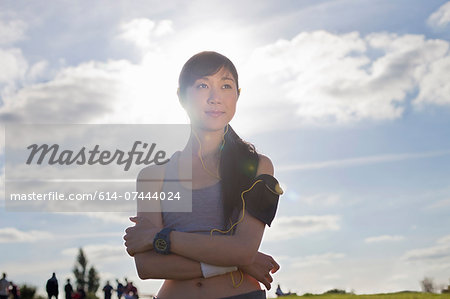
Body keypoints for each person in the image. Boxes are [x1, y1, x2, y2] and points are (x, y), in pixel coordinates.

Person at [124, 51, 283, 299]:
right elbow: (148, 267)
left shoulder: (257, 166)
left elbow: (243, 250)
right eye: (202, 85)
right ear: (181, 97)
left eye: (226, 86)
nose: (215, 97)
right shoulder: (152, 176)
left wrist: (159, 237)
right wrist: (234, 261)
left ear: (237, 95)